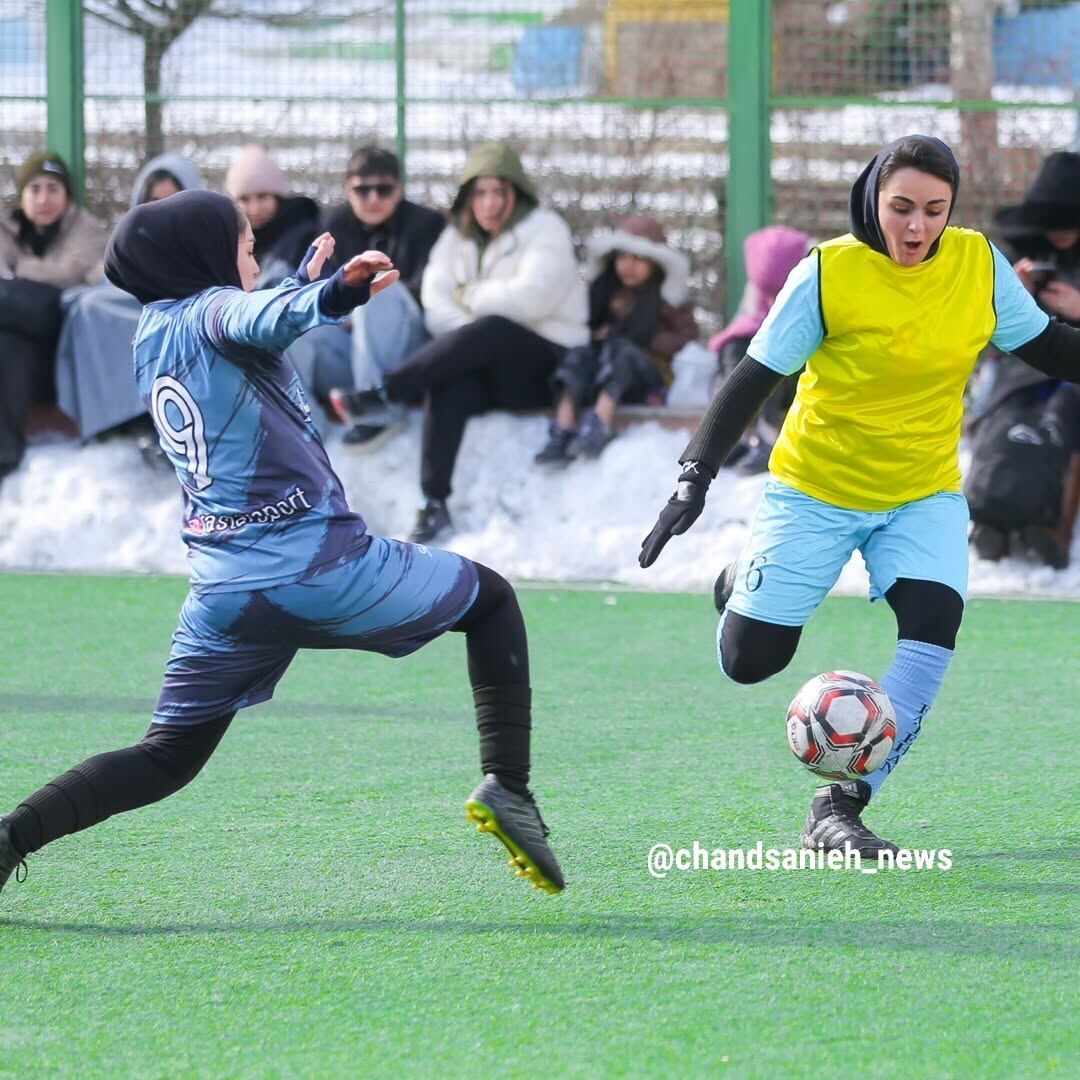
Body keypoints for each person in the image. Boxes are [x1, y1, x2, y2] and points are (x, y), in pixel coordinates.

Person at [0, 190, 564, 899]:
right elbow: (249, 314)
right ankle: (509, 786)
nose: (251, 263)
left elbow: (247, 325)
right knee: (492, 600)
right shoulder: (217, 311)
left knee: (166, 757)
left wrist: (294, 290)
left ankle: (9, 837)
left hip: (225, 593)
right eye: (242, 249)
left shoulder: (152, 332)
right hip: (315, 568)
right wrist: (329, 295)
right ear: (201, 260)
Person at [638, 135, 1080, 856]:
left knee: (934, 626)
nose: (917, 226)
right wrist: (694, 477)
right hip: (816, 488)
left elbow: (1050, 347)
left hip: (922, 493)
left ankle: (839, 805)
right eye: (902, 206)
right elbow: (752, 378)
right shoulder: (828, 273)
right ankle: (735, 585)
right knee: (750, 661)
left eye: (935, 210)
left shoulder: (976, 266)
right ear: (873, 198)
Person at [331, 141, 588, 543]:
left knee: (495, 327)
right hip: (483, 359)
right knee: (449, 383)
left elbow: (531, 299)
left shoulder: (545, 229)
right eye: (480, 193)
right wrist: (474, 321)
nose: (488, 203)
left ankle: (388, 390)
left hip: (544, 362)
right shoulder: (457, 237)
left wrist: (468, 297)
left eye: (497, 192)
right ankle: (434, 503)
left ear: (515, 193)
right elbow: (435, 304)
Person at [966, 151, 1080, 566]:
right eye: (1054, 225)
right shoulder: (1015, 254)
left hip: (1072, 372)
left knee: (1062, 416)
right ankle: (989, 514)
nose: (1062, 234)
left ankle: (1050, 527)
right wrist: (1012, 294)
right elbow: (982, 338)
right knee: (1004, 411)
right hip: (1020, 368)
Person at [298, 145, 444, 447]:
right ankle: (304, 422)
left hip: (406, 349)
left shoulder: (427, 225)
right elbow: (319, 288)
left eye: (383, 189)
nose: (373, 199)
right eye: (363, 190)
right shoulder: (333, 226)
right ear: (347, 190)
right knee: (295, 325)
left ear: (399, 189)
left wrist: (357, 300)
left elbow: (427, 290)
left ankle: (379, 412)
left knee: (374, 290)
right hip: (349, 343)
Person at [54, 153, 203, 441]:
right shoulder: (132, 238)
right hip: (134, 304)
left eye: (173, 199)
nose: (163, 208)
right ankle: (114, 422)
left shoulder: (205, 234)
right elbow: (115, 279)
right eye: (155, 200)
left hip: (184, 311)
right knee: (89, 309)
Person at [534, 213, 697, 464]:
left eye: (637, 259)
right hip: (598, 372)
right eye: (622, 257)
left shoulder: (667, 299)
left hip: (644, 378)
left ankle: (600, 422)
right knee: (578, 355)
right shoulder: (603, 291)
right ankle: (563, 426)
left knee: (621, 349)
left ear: (655, 263)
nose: (627, 266)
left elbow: (687, 340)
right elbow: (581, 328)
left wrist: (648, 337)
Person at [0, 151, 107, 480]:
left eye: (53, 188)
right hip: (18, 349)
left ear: (67, 195)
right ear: (23, 195)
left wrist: (20, 274)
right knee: (8, 343)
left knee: (37, 302)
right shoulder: (5, 229)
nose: (43, 198)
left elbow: (76, 275)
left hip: (63, 347)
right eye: (35, 189)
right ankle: (4, 454)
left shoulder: (88, 231)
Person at [708, 226, 812, 475]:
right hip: (752, 383)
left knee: (775, 352)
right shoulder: (757, 292)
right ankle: (737, 435)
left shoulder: (807, 289)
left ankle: (768, 438)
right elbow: (746, 326)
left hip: (794, 384)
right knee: (737, 349)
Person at [224, 145, 320, 288]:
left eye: (262, 197)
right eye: (245, 199)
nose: (255, 208)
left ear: (278, 198)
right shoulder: (230, 241)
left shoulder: (302, 237)